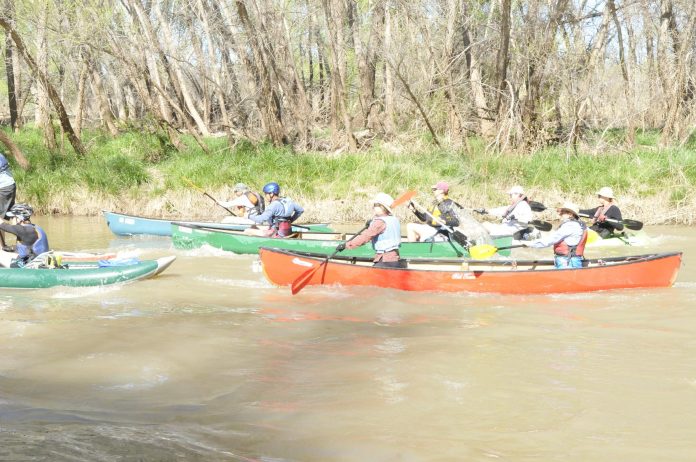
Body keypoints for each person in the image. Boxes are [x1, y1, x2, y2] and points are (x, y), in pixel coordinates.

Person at [338, 192, 406, 268]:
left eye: (375, 205)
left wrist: (346, 245)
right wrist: (371, 224)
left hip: (385, 259)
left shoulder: (379, 222)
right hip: (395, 258)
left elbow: (365, 237)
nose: (373, 207)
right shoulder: (393, 219)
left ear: (382, 207)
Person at [523, 202, 588, 269]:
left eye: (563, 212)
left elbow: (551, 240)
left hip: (568, 262)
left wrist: (531, 244)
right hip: (568, 260)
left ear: (570, 214)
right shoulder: (577, 225)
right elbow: (553, 236)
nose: (560, 214)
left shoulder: (570, 226)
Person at [0, 203, 50, 268]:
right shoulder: (33, 228)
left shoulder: (23, 230)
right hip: (36, 261)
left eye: (12, 217)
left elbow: (3, 226)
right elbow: (28, 247)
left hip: (29, 265)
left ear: (19, 218)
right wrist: (11, 248)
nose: (11, 220)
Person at [0, 153, 17, 250]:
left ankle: (2, 248)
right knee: (12, 215)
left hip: (3, 188)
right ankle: (21, 244)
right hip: (10, 185)